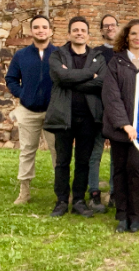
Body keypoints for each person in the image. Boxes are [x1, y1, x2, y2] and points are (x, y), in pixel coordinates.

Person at [102, 19, 139, 233]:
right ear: (127, 36)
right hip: (120, 129)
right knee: (119, 171)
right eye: (134, 33)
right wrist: (124, 124)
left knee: (135, 168)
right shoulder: (116, 62)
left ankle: (135, 216)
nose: (138, 38)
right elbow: (111, 96)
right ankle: (122, 215)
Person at [45, 16, 107, 218]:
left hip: (89, 118)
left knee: (83, 161)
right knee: (62, 161)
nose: (79, 33)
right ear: (69, 34)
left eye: (83, 30)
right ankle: (62, 201)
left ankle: (79, 200)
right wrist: (90, 74)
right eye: (75, 30)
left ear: (88, 35)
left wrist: (71, 77)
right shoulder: (57, 55)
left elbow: (102, 82)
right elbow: (61, 77)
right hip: (64, 116)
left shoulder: (98, 57)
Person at [5, 14, 58, 205]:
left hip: (53, 112)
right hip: (28, 110)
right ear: (31, 31)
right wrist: (24, 94)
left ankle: (61, 192)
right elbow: (11, 79)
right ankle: (24, 191)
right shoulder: (21, 55)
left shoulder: (59, 54)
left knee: (58, 151)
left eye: (44, 27)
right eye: (36, 27)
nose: (40, 30)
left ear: (50, 31)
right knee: (27, 150)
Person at [88, 14, 119, 213]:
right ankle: (94, 192)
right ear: (101, 30)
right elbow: (92, 78)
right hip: (98, 108)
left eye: (113, 25)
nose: (110, 28)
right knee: (95, 152)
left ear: (118, 28)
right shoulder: (95, 53)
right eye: (106, 26)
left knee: (117, 154)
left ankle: (115, 193)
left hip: (118, 109)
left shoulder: (124, 53)